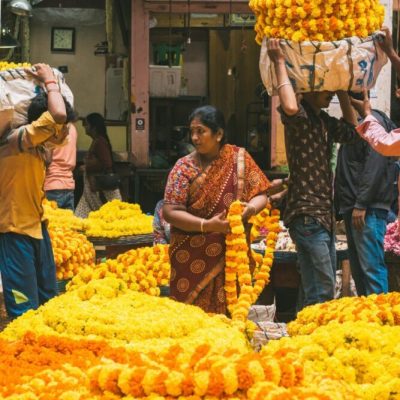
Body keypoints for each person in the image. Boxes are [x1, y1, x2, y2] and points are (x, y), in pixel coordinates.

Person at [267, 39, 358, 309]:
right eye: (323, 88)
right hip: (307, 215)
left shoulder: (324, 122)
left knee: (312, 287)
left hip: (323, 217)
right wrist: (279, 61)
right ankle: (314, 339)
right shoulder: (300, 117)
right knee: (323, 289)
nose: (327, 92)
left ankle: (301, 336)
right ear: (305, 90)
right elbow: (291, 107)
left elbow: (353, 132)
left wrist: (342, 88)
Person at [163, 105, 270, 314]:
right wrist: (207, 225)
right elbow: (170, 211)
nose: (194, 137)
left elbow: (261, 194)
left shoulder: (239, 159)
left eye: (200, 131)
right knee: (191, 318)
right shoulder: (183, 167)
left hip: (231, 252)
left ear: (219, 134)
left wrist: (250, 209)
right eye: (191, 131)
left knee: (230, 314)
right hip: (191, 253)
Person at [0, 63, 76, 319]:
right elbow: (59, 115)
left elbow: (61, 125)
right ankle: (22, 352)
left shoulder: (38, 145)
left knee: (47, 298)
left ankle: (45, 349)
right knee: (24, 307)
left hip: (36, 226)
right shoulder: (14, 141)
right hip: (14, 230)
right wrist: (49, 80)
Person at [335, 92, 396, 296]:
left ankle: (381, 321)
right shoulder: (357, 125)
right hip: (354, 207)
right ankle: (367, 321)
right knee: (360, 271)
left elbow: (374, 166)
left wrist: (361, 204)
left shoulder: (373, 122)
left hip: (366, 209)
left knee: (371, 269)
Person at [75, 113, 121, 218]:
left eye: (86, 125)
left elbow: (107, 163)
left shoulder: (100, 142)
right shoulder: (97, 141)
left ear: (93, 127)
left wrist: (87, 167)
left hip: (99, 189)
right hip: (91, 189)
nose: (85, 127)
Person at [44, 123, 78, 210]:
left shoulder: (52, 128)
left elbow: (47, 159)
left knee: (51, 222)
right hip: (69, 184)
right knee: (67, 222)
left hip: (52, 183)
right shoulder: (72, 128)